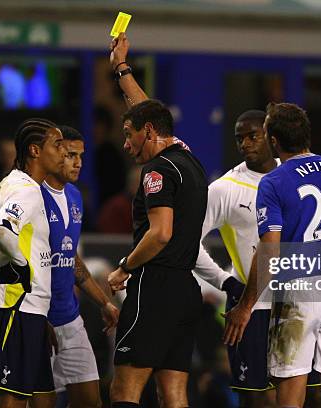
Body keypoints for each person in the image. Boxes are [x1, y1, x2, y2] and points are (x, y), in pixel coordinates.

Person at [225, 102, 321, 408]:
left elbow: (270, 249)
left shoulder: (274, 181)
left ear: (273, 141)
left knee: (290, 391)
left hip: (299, 292)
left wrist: (246, 305)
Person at [107, 41, 208, 408]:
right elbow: (149, 111)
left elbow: (161, 233)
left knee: (124, 391)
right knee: (174, 395)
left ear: (148, 132)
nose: (126, 144)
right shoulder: (188, 159)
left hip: (154, 286)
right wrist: (122, 70)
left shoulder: (158, 170)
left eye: (130, 135)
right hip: (185, 289)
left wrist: (124, 267)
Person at [194, 109, 307, 406]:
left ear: (271, 138)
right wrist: (227, 283)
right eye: (239, 138)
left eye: (252, 136)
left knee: (308, 395)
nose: (245, 144)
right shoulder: (223, 189)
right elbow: (189, 244)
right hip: (251, 307)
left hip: (299, 303)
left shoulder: (299, 176)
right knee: (256, 400)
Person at [0, 118, 65, 407]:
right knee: (12, 401)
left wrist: (0, 256)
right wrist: (21, 266)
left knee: (43, 399)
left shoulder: (9, 184)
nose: (63, 152)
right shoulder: (27, 189)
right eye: (57, 145)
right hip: (16, 305)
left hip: (29, 308)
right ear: (35, 150)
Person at [40, 125, 119, 407]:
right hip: (38, 321)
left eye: (81, 156)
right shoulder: (29, 194)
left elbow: (69, 257)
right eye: (71, 155)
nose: (78, 163)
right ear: (54, 153)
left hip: (70, 320)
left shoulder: (75, 196)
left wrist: (104, 303)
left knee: (90, 401)